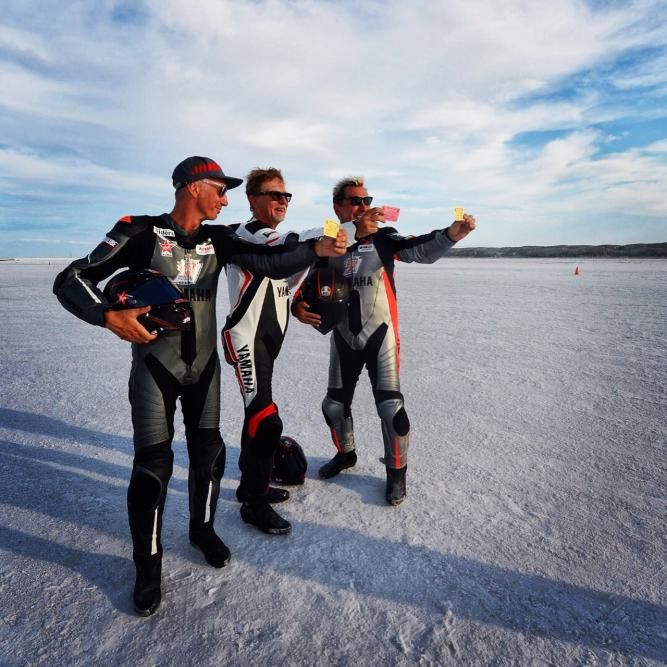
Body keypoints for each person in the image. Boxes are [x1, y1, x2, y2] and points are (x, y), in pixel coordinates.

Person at [53, 156, 347, 616]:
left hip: (204, 369)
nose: (225, 199)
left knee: (209, 454)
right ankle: (148, 565)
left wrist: (316, 250)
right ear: (193, 186)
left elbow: (272, 262)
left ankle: (202, 530)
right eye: (219, 189)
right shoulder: (139, 231)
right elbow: (71, 278)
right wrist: (105, 315)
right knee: (153, 467)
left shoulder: (220, 239)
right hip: (155, 368)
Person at [292, 176, 476, 505]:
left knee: (391, 409)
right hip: (343, 338)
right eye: (355, 201)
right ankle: (346, 454)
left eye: (367, 200)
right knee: (333, 406)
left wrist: (450, 235)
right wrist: (297, 306)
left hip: (381, 336)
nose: (364, 206)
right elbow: (309, 283)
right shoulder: (328, 243)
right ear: (338, 207)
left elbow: (419, 248)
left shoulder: (383, 237)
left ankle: (396, 472)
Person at [222, 167, 377, 536]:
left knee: (256, 415)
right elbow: (293, 244)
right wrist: (350, 228)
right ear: (252, 199)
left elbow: (286, 276)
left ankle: (250, 485)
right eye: (274, 195)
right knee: (266, 420)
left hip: (266, 341)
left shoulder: (274, 242)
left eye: (286, 195)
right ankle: (254, 504)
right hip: (247, 340)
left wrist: (297, 304)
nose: (282, 201)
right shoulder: (249, 235)